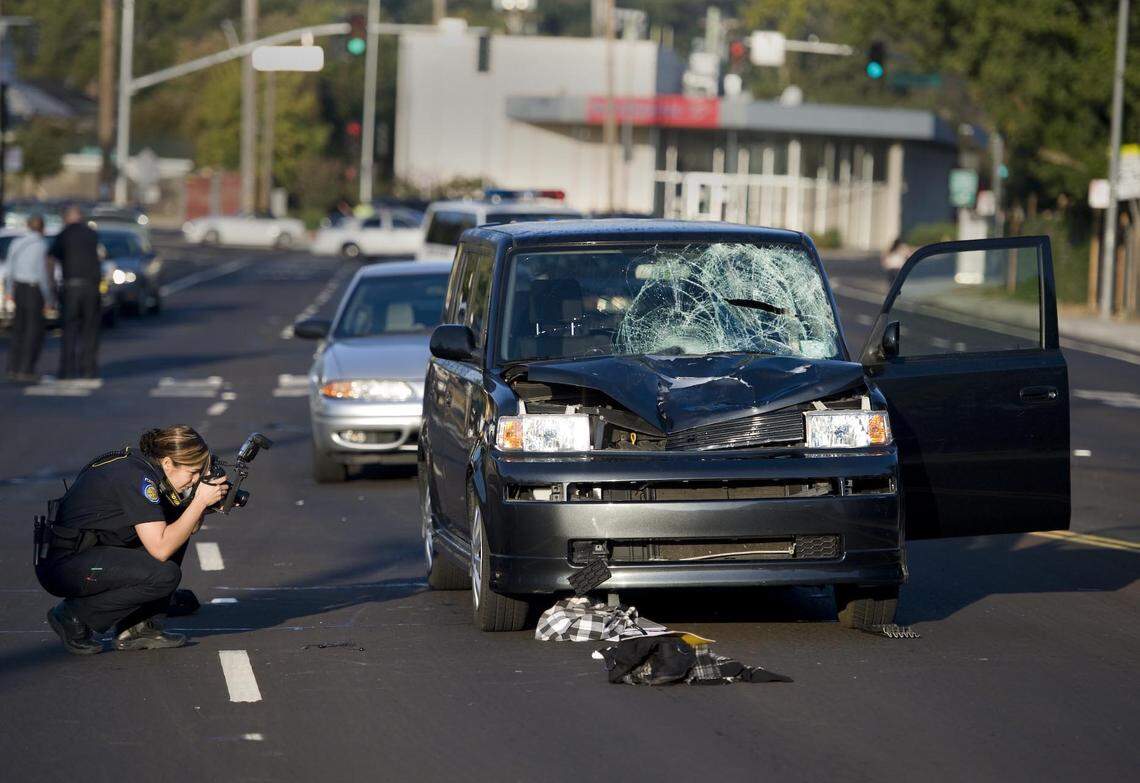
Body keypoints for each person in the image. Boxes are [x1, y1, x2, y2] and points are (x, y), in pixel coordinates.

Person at [35, 426, 228, 655]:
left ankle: (138, 628)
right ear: (168, 463)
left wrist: (204, 505)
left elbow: (185, 528)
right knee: (164, 575)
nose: (194, 480)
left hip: (92, 553)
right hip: (68, 566)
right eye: (192, 472)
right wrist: (198, 502)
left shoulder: (146, 467)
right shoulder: (138, 479)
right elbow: (160, 548)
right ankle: (73, 615)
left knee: (178, 528)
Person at [49, 205, 102, 379]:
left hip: (71, 286)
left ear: (67, 217)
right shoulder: (91, 233)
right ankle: (88, 368)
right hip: (91, 287)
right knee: (90, 329)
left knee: (69, 329)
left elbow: (52, 257)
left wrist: (51, 286)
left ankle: (66, 369)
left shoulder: (64, 235)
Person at [4, 215, 53, 381]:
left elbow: (10, 270)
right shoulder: (40, 245)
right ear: (42, 228)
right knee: (33, 331)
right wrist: (48, 298)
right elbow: (42, 274)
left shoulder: (17, 243)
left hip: (19, 289)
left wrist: (10, 290)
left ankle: (12, 367)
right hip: (34, 290)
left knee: (18, 329)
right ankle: (26, 368)